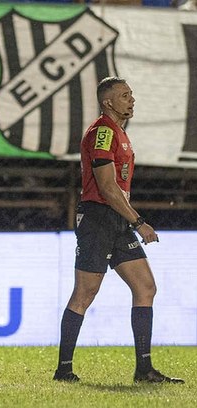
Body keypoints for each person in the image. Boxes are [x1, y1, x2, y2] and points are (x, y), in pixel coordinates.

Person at [53, 77, 184, 384]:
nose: (132, 100)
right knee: (85, 293)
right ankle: (63, 370)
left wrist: (128, 220)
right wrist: (139, 223)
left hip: (117, 220)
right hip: (99, 219)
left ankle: (144, 370)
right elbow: (108, 188)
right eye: (125, 96)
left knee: (145, 288)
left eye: (131, 95)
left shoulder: (119, 133)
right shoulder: (102, 132)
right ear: (108, 102)